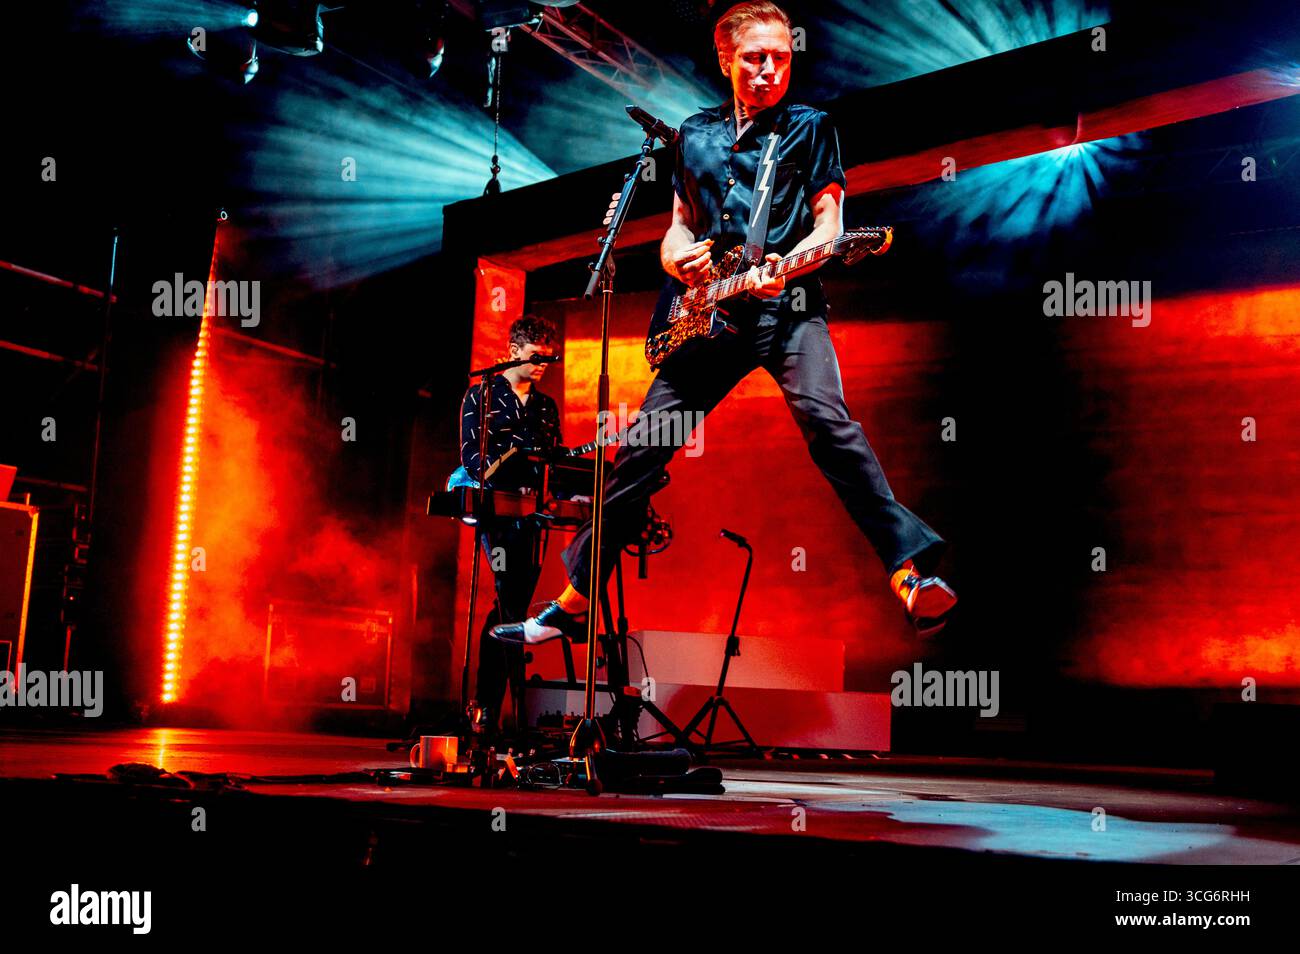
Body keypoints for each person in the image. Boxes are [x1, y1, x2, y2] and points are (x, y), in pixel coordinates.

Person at [492, 1, 956, 649]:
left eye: (781, 59)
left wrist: (789, 267)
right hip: (707, 316)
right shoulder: (694, 134)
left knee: (830, 424)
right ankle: (573, 601)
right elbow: (678, 226)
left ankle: (908, 571)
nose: (769, 71)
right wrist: (673, 256)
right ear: (725, 59)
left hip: (789, 309)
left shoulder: (811, 127)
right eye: (755, 59)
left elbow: (829, 227)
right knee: (639, 453)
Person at [459, 314, 562, 731]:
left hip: (533, 512)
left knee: (515, 605)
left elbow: (553, 457)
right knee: (507, 596)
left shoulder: (546, 406)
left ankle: (489, 711)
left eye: (549, 359)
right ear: (513, 351)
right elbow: (471, 456)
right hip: (495, 509)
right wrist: (508, 467)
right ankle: (491, 708)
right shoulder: (480, 395)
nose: (542, 365)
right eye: (537, 357)